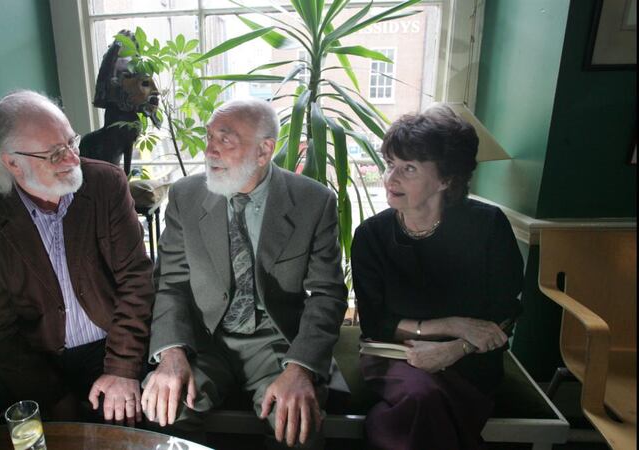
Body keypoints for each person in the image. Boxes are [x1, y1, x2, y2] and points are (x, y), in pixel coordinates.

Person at [0, 90, 155, 437]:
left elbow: (137, 279)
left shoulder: (106, 184)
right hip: (33, 352)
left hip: (108, 343)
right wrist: (50, 395)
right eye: (56, 153)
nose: (72, 158)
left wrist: (122, 368)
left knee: (125, 423)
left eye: (71, 142)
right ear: (12, 163)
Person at [141, 98, 348, 448]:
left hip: (276, 344)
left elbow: (327, 294)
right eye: (209, 138)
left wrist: (300, 368)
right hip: (206, 341)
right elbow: (170, 284)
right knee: (164, 409)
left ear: (264, 151)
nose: (209, 151)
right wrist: (172, 353)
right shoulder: (185, 196)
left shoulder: (314, 201)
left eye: (225, 140)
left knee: (295, 424)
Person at [351, 104, 523, 450]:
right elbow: (375, 321)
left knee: (424, 404)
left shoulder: (488, 226)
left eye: (409, 168)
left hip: (470, 359)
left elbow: (506, 311)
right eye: (390, 165)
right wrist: (455, 324)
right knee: (421, 396)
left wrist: (455, 348)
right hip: (396, 355)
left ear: (446, 179)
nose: (391, 178)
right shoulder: (371, 235)